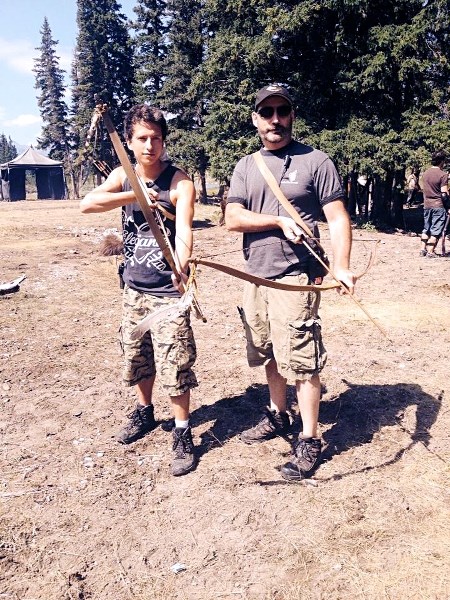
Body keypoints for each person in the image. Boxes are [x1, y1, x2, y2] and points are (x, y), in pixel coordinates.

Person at [225, 84, 357, 482]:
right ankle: (278, 415)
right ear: (256, 119)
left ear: (292, 116)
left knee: (301, 360)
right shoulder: (247, 166)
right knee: (268, 353)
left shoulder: (316, 160)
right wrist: (277, 220)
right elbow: (232, 217)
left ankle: (310, 438)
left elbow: (336, 217)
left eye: (282, 111)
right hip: (254, 275)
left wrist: (342, 265)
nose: (275, 120)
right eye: (267, 113)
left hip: (296, 277)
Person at [80, 104, 198, 477]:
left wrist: (181, 265)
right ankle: (145, 413)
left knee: (175, 364)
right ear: (129, 142)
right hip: (133, 288)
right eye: (142, 139)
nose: (150, 146)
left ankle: (182, 432)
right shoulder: (123, 175)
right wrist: (134, 197)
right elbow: (88, 204)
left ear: (164, 141)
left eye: (156, 138)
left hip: (168, 292)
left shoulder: (180, 182)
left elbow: (184, 231)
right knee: (137, 357)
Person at [420, 150, 449, 257]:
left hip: (426, 204)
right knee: (436, 229)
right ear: (442, 161)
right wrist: (448, 207)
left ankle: (422, 250)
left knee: (426, 228)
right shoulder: (443, 175)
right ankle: (430, 251)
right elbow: (444, 194)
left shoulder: (425, 173)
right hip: (438, 205)